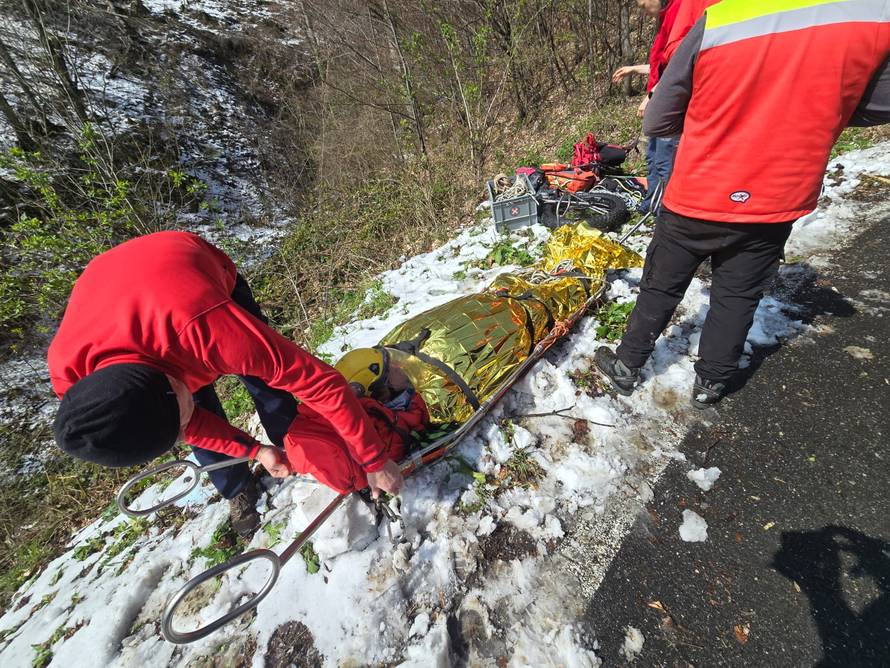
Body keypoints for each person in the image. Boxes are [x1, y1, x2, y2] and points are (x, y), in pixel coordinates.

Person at [596, 0, 890, 407]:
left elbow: (658, 119)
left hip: (700, 189)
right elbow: (880, 105)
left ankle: (627, 366)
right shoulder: (871, 14)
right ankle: (711, 383)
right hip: (778, 195)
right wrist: (811, 109)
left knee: (661, 283)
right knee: (737, 294)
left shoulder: (723, 19)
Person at [49, 231, 403, 536]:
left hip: (187, 269)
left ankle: (296, 438)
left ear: (170, 378)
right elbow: (183, 423)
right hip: (117, 294)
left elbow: (316, 381)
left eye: (182, 409)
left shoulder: (209, 328)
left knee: (264, 378)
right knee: (191, 412)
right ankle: (237, 486)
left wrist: (373, 458)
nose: (188, 423)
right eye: (180, 427)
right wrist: (254, 451)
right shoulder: (82, 395)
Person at [286, 347, 430, 494]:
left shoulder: (328, 401)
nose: (399, 371)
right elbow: (410, 426)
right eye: (388, 381)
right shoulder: (374, 418)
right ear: (371, 393)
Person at [612, 0, 683, 214]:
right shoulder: (665, 26)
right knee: (652, 160)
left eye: (643, 4)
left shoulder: (679, 22)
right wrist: (633, 69)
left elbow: (676, 69)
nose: (642, 9)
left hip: (669, 112)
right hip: (659, 112)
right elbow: (660, 67)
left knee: (664, 163)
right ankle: (652, 204)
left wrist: (651, 96)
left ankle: (666, 210)